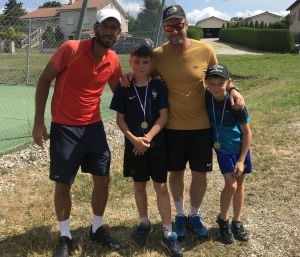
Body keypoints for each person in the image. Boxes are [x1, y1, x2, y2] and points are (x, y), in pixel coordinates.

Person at [121, 5, 245, 240]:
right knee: (176, 174)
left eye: (179, 25)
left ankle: (194, 215)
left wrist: (235, 90)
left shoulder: (205, 50)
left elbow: (221, 78)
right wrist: (127, 75)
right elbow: (143, 72)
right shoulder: (158, 54)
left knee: (200, 176)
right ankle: (179, 215)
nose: (175, 30)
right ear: (165, 29)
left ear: (187, 25)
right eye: (170, 26)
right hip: (172, 128)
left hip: (202, 127)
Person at [32, 9, 123, 257]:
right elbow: (43, 81)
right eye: (105, 26)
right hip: (64, 127)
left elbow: (122, 96)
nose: (109, 31)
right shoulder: (70, 49)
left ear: (119, 33)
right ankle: (65, 236)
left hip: (94, 127)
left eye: (114, 28)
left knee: (103, 179)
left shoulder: (113, 60)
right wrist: (39, 122)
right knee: (63, 184)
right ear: (95, 28)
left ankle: (96, 228)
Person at [110, 44, 183, 257]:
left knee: (161, 187)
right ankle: (145, 224)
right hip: (134, 147)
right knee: (139, 185)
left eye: (146, 62)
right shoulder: (124, 87)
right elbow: (120, 120)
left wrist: (147, 139)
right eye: (137, 61)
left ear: (152, 64)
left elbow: (163, 116)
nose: (141, 66)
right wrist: (135, 140)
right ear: (130, 61)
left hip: (155, 145)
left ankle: (168, 234)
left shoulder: (158, 87)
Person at [205, 64, 252, 244]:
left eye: (221, 83)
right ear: (207, 83)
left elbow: (247, 133)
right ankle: (223, 220)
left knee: (239, 185)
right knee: (231, 185)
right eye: (212, 83)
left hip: (240, 150)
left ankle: (236, 221)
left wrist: (241, 160)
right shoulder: (206, 96)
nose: (216, 87)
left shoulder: (236, 104)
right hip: (223, 150)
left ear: (228, 83)